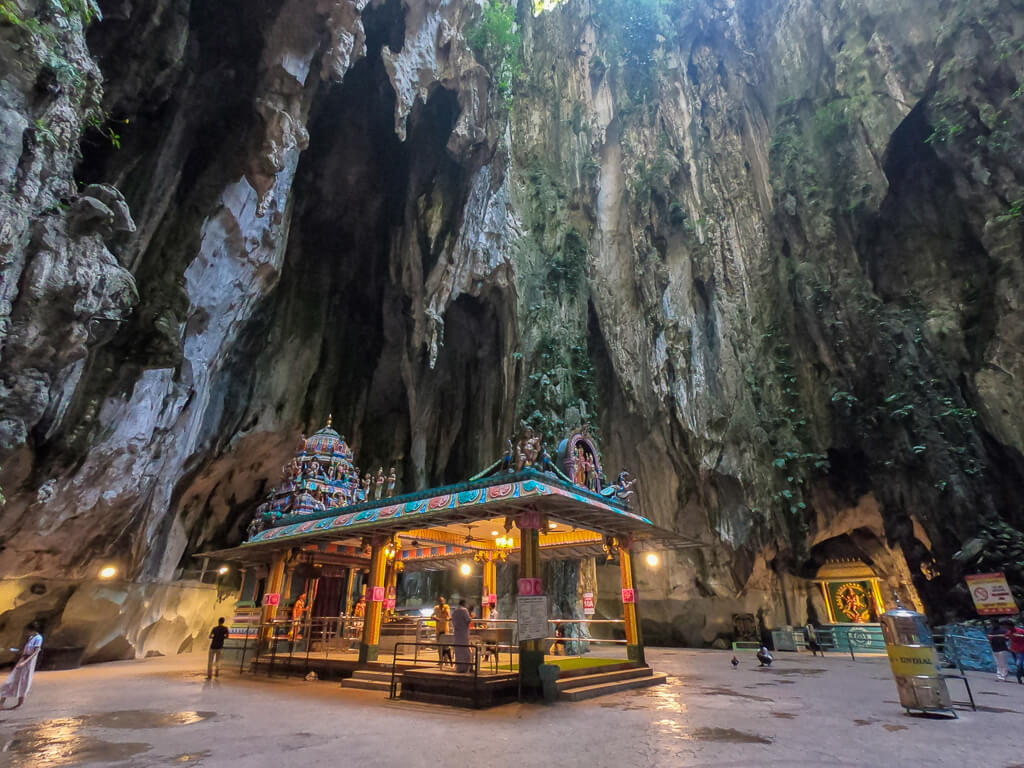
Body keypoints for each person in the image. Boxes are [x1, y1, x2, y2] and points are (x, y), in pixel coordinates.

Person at [1, 624, 43, 709]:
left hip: (28, 662)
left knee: (24, 680)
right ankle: (2, 702)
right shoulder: (31, 637)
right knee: (12, 679)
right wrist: (14, 650)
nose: (26, 633)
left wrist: (24, 662)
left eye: (28, 631)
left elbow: (35, 652)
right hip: (23, 659)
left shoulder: (38, 638)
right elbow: (26, 650)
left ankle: (19, 703)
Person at [451, 599, 472, 673]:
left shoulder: (455, 611)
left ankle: (459, 668)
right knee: (465, 651)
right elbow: (468, 620)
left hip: (457, 634)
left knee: (458, 651)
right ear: (464, 603)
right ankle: (466, 668)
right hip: (463, 634)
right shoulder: (464, 610)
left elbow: (452, 620)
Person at [432, 597, 452, 666]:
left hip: (445, 629)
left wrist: (448, 617)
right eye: (440, 601)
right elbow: (432, 615)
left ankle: (446, 661)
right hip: (438, 630)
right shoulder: (436, 608)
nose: (441, 602)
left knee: (446, 646)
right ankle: (440, 660)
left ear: (444, 601)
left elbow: (449, 616)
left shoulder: (446, 607)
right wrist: (435, 618)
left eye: (442, 601)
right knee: (439, 646)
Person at [1009, 618, 1024, 685]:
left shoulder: (1020, 631)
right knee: (1018, 665)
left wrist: (1020, 635)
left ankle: (1018, 676)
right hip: (1014, 650)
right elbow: (1005, 636)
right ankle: (1020, 675)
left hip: (1021, 650)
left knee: (1019, 664)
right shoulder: (1009, 632)